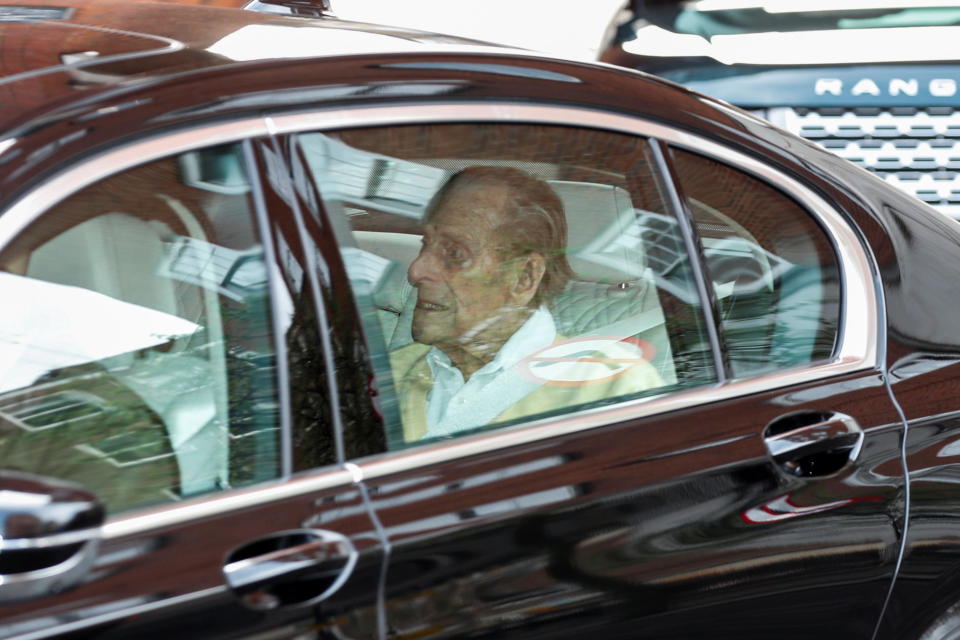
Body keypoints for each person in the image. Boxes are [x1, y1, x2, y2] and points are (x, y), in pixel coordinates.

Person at [390, 166, 663, 442]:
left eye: (455, 253)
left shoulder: (615, 391)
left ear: (524, 277)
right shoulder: (386, 375)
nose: (415, 271)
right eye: (425, 245)